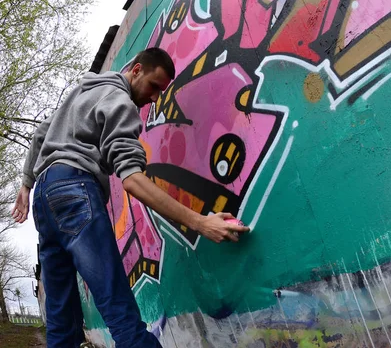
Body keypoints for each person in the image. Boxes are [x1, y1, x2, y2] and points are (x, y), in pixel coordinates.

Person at [11, 47, 249, 348]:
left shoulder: (80, 93)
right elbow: (133, 180)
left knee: (60, 322)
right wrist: (200, 222)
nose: (154, 98)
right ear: (136, 70)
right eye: (153, 86)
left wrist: (27, 184)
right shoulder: (120, 101)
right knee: (120, 311)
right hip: (75, 189)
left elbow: (40, 135)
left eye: (160, 92)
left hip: (45, 200)